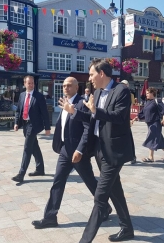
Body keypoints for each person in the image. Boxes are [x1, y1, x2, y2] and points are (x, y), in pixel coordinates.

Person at [59, 59, 134, 243]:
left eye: (92, 74)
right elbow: (92, 119)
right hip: (100, 150)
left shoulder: (121, 91)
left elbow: (119, 117)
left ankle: (85, 240)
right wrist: (73, 111)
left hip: (114, 151)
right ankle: (127, 229)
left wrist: (95, 110)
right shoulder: (98, 91)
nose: (89, 78)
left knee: (100, 199)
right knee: (115, 191)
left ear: (101, 74)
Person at [32, 77, 112, 229]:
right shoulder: (64, 102)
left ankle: (104, 207)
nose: (66, 88)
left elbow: (88, 128)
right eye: (64, 86)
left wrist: (80, 149)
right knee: (57, 182)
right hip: (65, 150)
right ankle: (50, 217)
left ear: (77, 87)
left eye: (69, 85)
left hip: (77, 152)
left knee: (90, 181)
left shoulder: (82, 103)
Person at [12, 75, 51, 183]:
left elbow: (44, 113)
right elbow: (18, 110)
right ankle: (40, 169)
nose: (31, 85)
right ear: (24, 84)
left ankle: (21, 174)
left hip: (34, 125)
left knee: (27, 148)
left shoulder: (39, 96)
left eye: (32, 83)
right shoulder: (22, 95)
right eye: (29, 83)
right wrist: (16, 123)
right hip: (25, 124)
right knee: (35, 147)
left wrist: (47, 128)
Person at [138, 88, 164, 162]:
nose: (146, 94)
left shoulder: (157, 101)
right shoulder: (147, 102)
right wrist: (135, 118)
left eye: (147, 93)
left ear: (152, 93)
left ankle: (150, 157)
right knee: (158, 139)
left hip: (155, 123)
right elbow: (143, 112)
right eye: (146, 93)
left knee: (152, 138)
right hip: (149, 123)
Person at [121, 79, 137, 164]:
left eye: (124, 85)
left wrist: (131, 119)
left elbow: (132, 106)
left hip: (126, 119)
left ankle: (132, 156)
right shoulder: (118, 93)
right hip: (120, 119)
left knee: (128, 138)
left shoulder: (130, 95)